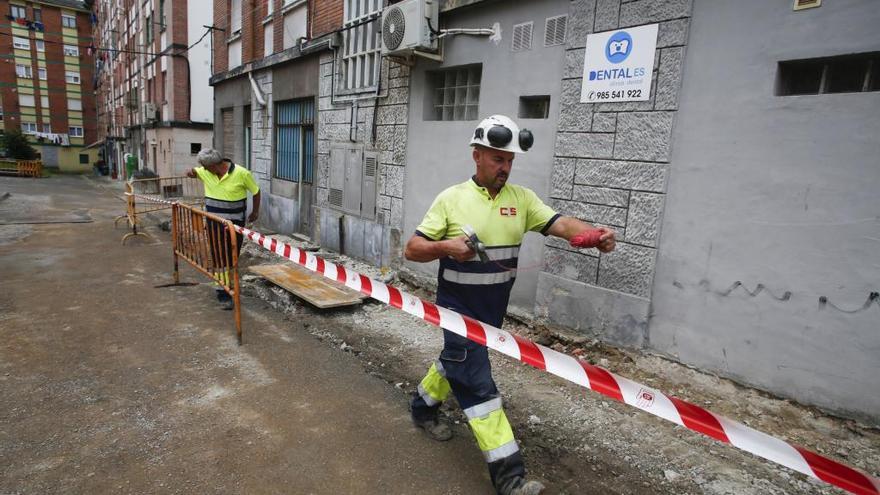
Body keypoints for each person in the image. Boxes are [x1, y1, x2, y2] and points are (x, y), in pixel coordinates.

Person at [405, 115, 616, 495]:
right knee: (477, 386)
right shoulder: (451, 199)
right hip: (457, 310)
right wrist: (445, 247)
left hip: (491, 313)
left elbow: (561, 223)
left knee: (455, 361)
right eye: (498, 159)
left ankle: (421, 407)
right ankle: (510, 478)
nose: (505, 167)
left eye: (510, 161)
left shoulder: (521, 200)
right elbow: (412, 248)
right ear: (477, 156)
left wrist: (593, 234)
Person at [186, 148, 261, 309]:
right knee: (219, 257)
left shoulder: (242, 173)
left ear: (215, 165)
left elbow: (256, 191)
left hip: (235, 226)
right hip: (214, 224)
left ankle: (231, 286)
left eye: (206, 167)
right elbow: (193, 171)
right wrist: (191, 172)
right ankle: (222, 291)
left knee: (232, 256)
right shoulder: (206, 171)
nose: (204, 170)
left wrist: (255, 212)